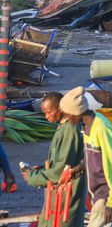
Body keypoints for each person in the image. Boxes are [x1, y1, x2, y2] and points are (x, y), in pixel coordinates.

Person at [60, 86, 112, 227]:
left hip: (110, 195)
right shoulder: (90, 124)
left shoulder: (100, 128)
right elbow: (99, 158)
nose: (65, 119)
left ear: (75, 113)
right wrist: (83, 166)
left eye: (66, 115)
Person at [21, 92, 85, 227]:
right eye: (44, 113)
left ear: (60, 108)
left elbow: (62, 169)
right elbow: (58, 161)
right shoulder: (62, 126)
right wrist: (42, 168)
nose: (46, 117)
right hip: (56, 195)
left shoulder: (70, 129)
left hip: (64, 197)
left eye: (49, 112)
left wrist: (33, 177)